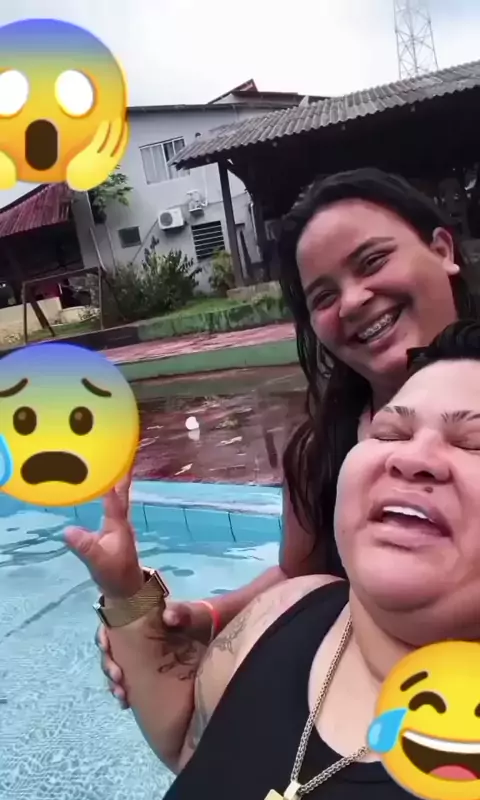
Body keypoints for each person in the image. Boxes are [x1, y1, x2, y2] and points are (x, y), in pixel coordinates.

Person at [69, 320, 480, 800]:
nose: (410, 456)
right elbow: (190, 747)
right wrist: (128, 593)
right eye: (389, 433)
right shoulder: (285, 608)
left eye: (473, 444)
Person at [84, 167, 480, 706]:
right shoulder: (322, 452)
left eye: (372, 262)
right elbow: (298, 580)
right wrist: (200, 621)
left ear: (442, 250)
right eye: (323, 296)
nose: (352, 301)